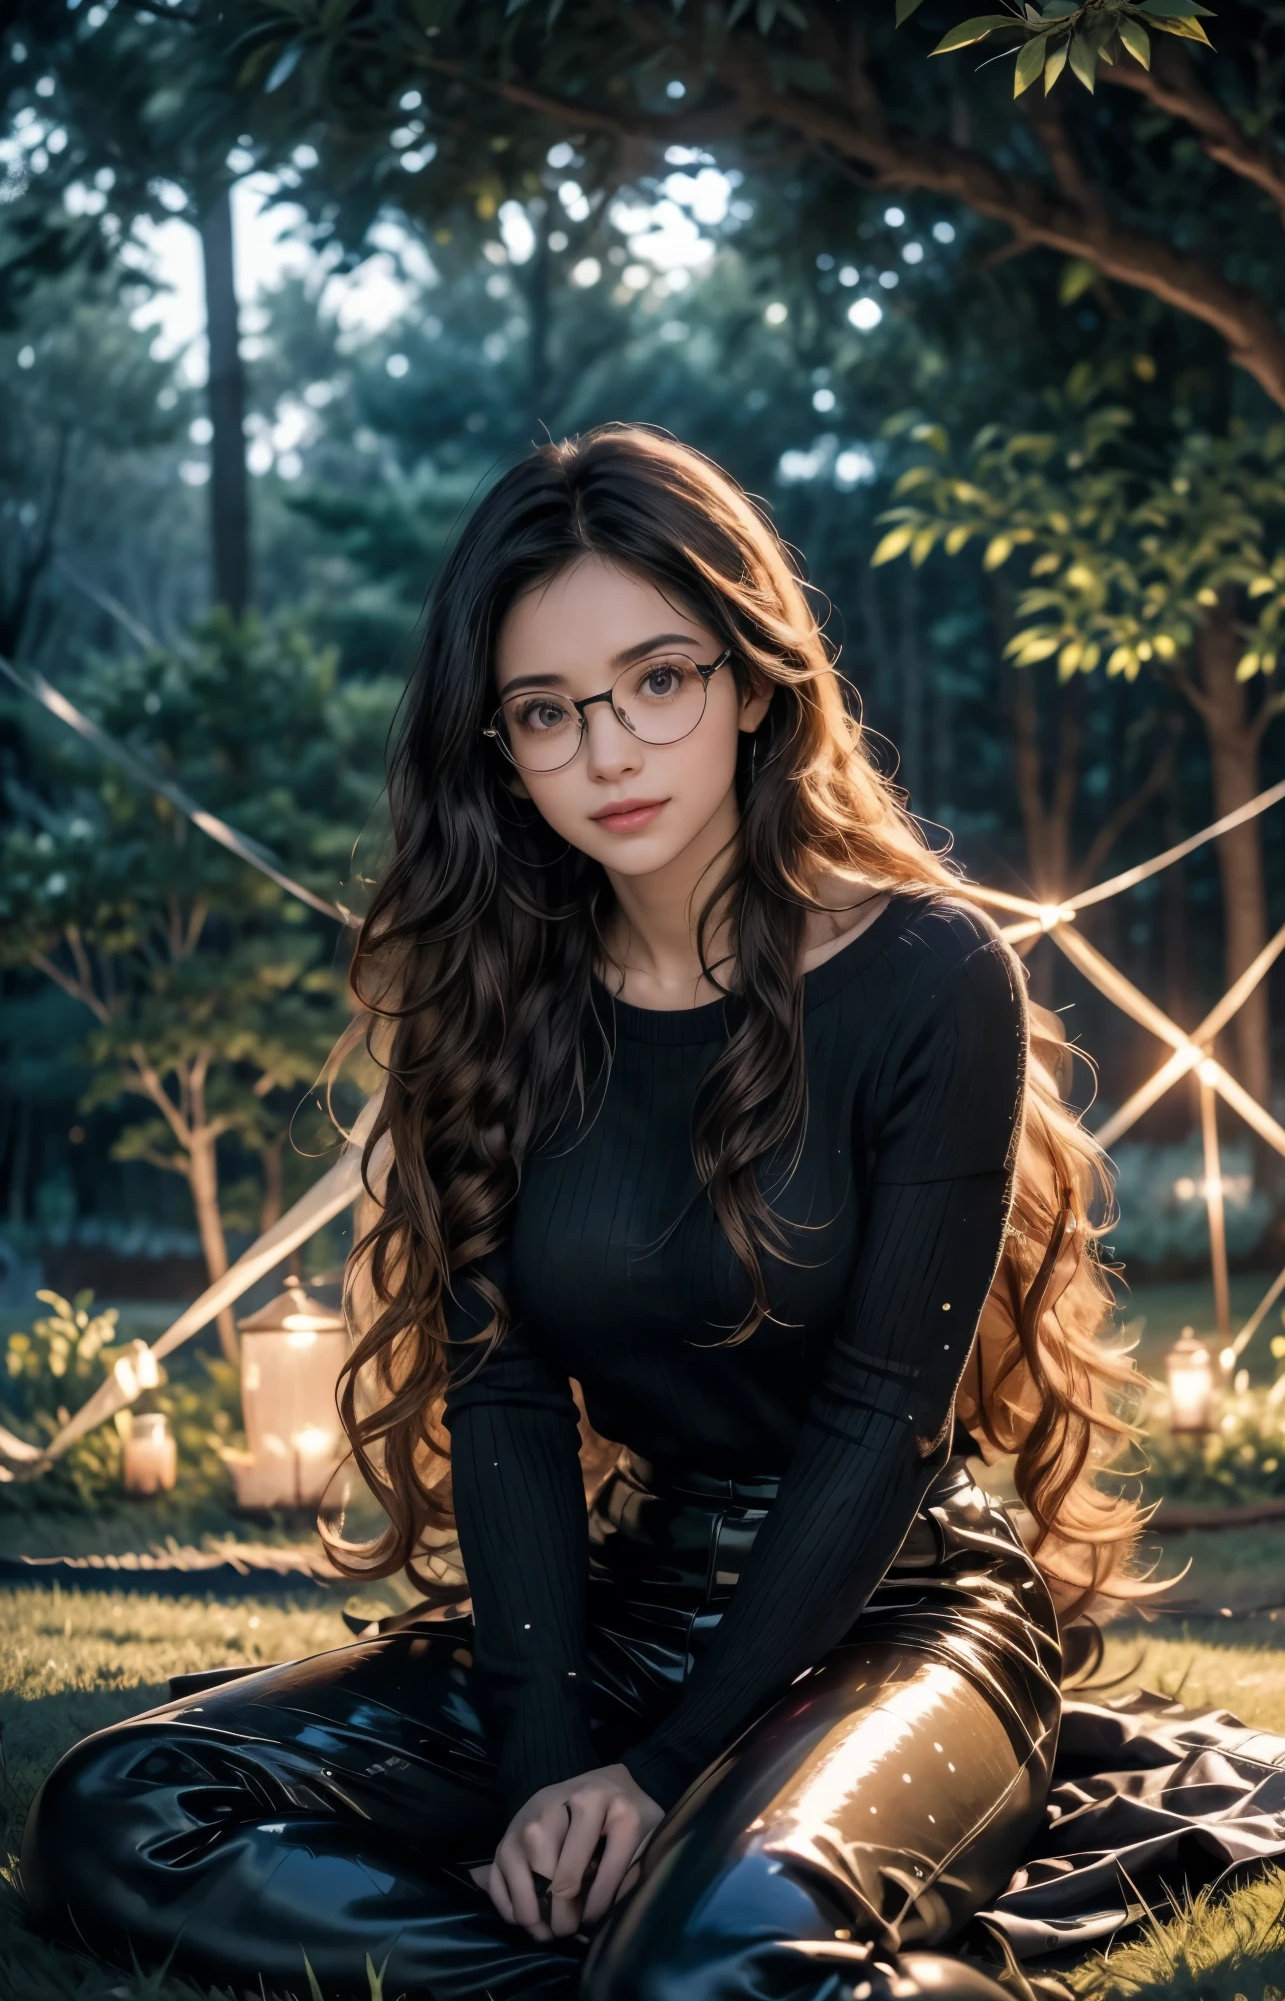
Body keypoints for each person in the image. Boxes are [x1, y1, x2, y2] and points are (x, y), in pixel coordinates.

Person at [21, 425, 1145, 2001]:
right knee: (121, 1807)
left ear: (753, 682)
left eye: (657, 681)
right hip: (624, 1611)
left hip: (896, 1609)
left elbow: (884, 1415)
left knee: (711, 1954)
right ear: (498, 748)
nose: (607, 752)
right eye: (546, 713)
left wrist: (666, 1763)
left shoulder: (933, 977)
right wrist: (552, 1754)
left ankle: (695, 1967)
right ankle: (651, 1983)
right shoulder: (495, 998)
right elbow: (503, 1401)